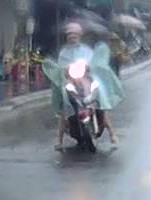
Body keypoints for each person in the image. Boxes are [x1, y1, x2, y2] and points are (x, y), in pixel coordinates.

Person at [49, 21, 123, 150]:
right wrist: (66, 69)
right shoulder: (64, 52)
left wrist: (88, 66)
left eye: (74, 35)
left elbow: (92, 62)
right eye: (70, 35)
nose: (72, 37)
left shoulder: (86, 50)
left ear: (79, 36)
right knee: (65, 105)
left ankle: (112, 134)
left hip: (86, 80)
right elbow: (61, 67)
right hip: (71, 81)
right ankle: (59, 141)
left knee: (100, 101)